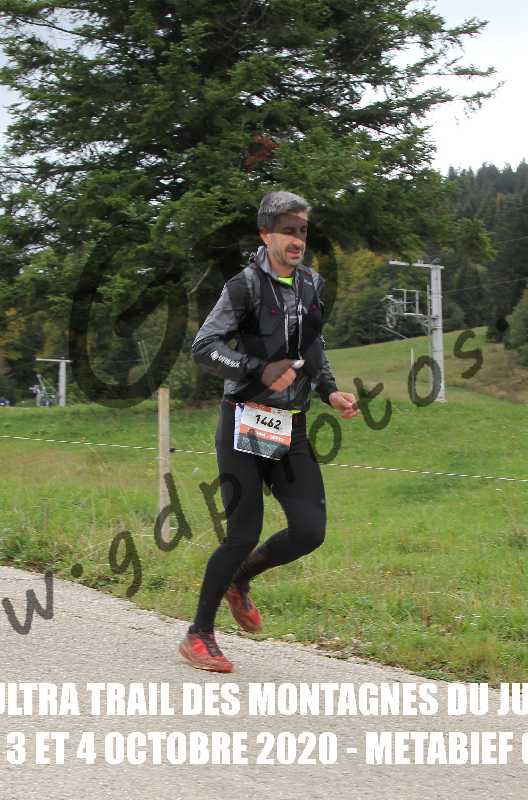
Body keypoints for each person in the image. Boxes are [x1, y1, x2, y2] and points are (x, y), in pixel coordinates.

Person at [182, 190, 359, 672]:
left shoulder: (311, 285)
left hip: (289, 425)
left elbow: (313, 345)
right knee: (243, 532)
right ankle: (199, 634)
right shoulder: (243, 287)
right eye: (287, 230)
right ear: (266, 235)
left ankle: (240, 580)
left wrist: (330, 391)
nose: (297, 239)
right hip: (244, 418)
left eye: (303, 230)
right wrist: (257, 368)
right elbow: (204, 347)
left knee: (309, 529)